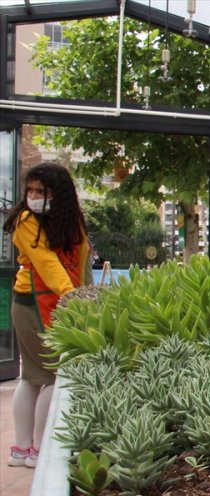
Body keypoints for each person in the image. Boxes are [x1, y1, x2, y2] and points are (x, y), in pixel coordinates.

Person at [3, 163, 91, 468]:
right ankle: (36, 449)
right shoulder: (26, 220)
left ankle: (24, 449)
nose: (33, 196)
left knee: (34, 376)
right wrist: (72, 294)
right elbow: (46, 262)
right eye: (30, 190)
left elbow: (80, 260)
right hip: (32, 303)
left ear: (59, 194)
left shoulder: (70, 222)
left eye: (41, 191)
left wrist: (79, 295)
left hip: (59, 302)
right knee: (48, 375)